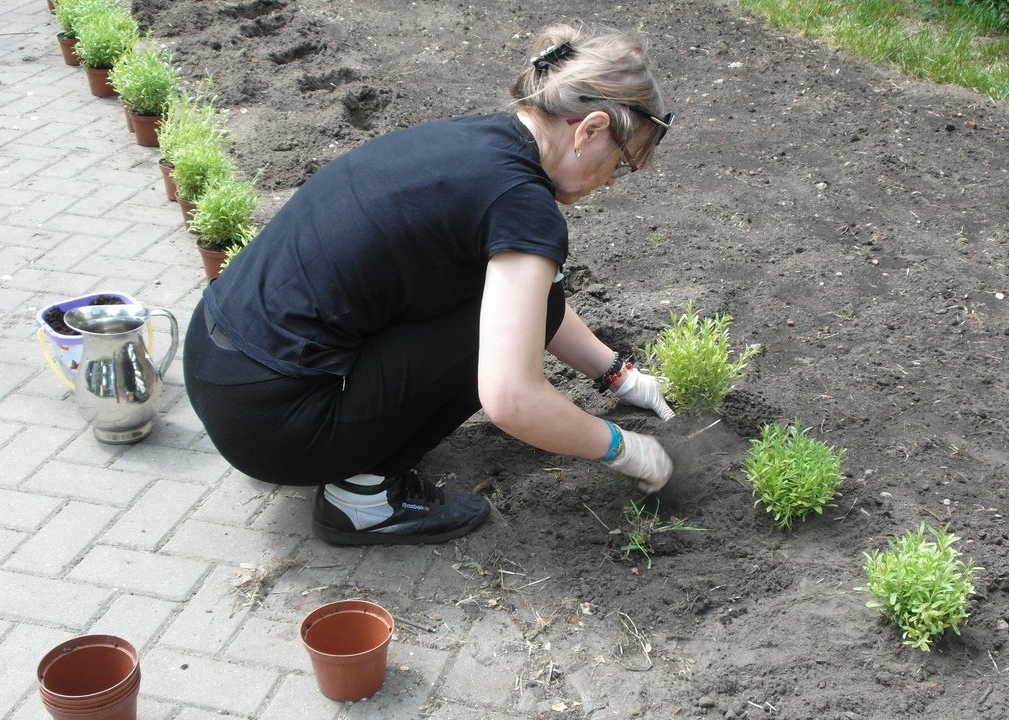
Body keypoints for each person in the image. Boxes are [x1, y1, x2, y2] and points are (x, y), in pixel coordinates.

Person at [182, 24, 678, 546]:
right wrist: (620, 446)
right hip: (277, 428)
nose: (610, 181)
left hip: (220, 369)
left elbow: (537, 307)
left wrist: (620, 377)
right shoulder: (521, 205)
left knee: (530, 304)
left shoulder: (474, 141)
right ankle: (362, 502)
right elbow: (511, 399)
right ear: (591, 128)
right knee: (505, 340)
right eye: (621, 162)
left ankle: (347, 440)